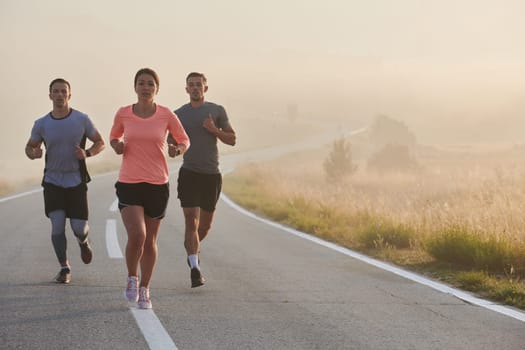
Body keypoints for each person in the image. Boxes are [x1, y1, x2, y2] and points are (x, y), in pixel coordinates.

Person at [110, 68, 190, 309]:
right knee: (138, 235)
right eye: (141, 83)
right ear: (135, 87)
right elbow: (114, 136)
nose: (145, 88)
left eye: (150, 84)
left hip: (157, 183)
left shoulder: (166, 115)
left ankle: (145, 288)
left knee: (150, 240)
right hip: (129, 182)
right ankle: (132, 278)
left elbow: (184, 139)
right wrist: (117, 145)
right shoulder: (124, 113)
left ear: (157, 89)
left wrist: (178, 149)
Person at [25, 78, 105, 284]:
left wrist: (87, 153)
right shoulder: (41, 123)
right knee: (57, 227)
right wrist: (33, 153)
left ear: (69, 95)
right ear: (50, 95)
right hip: (52, 180)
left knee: (79, 227)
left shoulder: (81, 119)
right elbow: (29, 147)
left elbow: (100, 142)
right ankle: (64, 267)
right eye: (56, 92)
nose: (59, 95)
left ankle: (83, 241)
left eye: (63, 92)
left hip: (76, 180)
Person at [168, 72, 236, 288]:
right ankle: (195, 268)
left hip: (211, 175)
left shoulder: (216, 111)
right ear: (186, 89)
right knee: (191, 221)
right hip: (189, 173)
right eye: (191, 85)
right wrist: (173, 150)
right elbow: (172, 144)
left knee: (204, 227)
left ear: (205, 88)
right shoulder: (178, 114)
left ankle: (192, 250)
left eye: (199, 85)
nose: (195, 88)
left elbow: (232, 139)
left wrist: (213, 129)